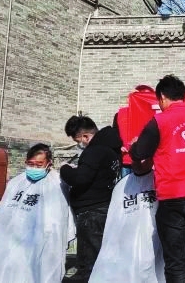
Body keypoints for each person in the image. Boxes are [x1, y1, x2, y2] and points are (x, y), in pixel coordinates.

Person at [129, 74, 185, 283]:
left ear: (162, 97)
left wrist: (133, 146)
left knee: (175, 261)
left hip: (173, 194)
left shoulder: (160, 121)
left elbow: (140, 152)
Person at [0, 143, 75, 283]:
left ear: (49, 163)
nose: (34, 168)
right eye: (31, 164)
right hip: (14, 239)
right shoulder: (16, 182)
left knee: (40, 271)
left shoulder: (57, 184)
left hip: (44, 240)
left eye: (39, 164)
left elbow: (60, 218)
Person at [60, 115, 123, 281]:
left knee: (89, 263)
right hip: (104, 207)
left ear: (86, 136)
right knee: (101, 259)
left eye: (78, 140)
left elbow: (80, 179)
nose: (79, 144)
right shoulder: (112, 150)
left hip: (91, 212)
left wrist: (65, 169)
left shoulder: (94, 151)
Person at [89, 158, 164, 283]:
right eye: (135, 159)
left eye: (143, 159)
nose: (139, 163)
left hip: (153, 238)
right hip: (127, 244)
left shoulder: (159, 181)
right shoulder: (122, 186)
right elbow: (114, 222)